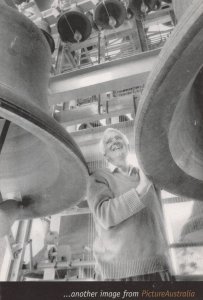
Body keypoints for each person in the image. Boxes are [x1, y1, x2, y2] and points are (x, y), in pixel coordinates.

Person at [87, 128, 172, 281]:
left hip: (158, 268)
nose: (114, 141)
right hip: (119, 274)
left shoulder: (146, 174)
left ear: (128, 146)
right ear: (104, 154)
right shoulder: (98, 177)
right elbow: (105, 216)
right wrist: (141, 189)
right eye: (108, 141)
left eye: (118, 138)